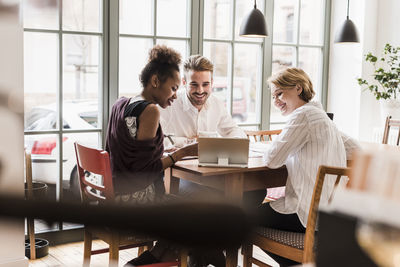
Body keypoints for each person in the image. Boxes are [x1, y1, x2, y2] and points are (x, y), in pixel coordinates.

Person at [105, 45, 197, 266]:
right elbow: (146, 169)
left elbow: (136, 154)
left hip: (117, 193)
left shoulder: (123, 103)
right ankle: (159, 259)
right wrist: (183, 153)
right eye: (174, 88)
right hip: (136, 200)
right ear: (155, 81)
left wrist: (167, 153)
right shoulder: (151, 110)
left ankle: (156, 257)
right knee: (195, 211)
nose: (176, 95)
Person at [257, 67, 360, 266]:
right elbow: (356, 149)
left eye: (279, 93)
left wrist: (280, 142)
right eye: (273, 96)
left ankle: (294, 264)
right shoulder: (321, 117)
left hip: (304, 212)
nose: (276, 101)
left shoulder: (303, 116)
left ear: (297, 88)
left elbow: (272, 160)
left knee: (244, 218)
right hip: (331, 214)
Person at [159, 54, 247, 148]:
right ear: (184, 82)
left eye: (205, 84)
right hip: (175, 162)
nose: (200, 91)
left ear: (212, 82)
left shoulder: (216, 103)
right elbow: (156, 142)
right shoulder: (168, 104)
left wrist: (227, 142)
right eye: (194, 84)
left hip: (208, 161)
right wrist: (190, 142)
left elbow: (234, 131)